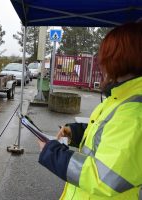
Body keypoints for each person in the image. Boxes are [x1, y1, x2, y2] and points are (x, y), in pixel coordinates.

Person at [38, 22, 142, 199]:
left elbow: (104, 177)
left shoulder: (133, 112)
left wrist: (52, 152)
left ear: (121, 61)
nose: (101, 66)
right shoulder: (120, 98)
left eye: (105, 59)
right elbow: (107, 134)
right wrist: (76, 132)